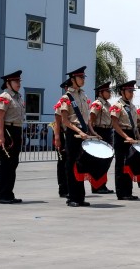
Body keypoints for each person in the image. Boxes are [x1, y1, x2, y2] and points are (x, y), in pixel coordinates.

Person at [55, 66, 96, 207]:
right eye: (81, 77)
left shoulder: (83, 95)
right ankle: (72, 197)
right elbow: (65, 121)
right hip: (73, 134)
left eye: (84, 77)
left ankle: (80, 197)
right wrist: (78, 132)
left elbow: (87, 118)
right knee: (71, 165)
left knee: (81, 165)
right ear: (73, 79)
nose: (83, 80)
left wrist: (92, 131)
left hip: (83, 133)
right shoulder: (66, 98)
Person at [0, 70, 24, 204]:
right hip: (7, 129)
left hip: (17, 129)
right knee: (6, 163)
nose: (18, 83)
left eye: (19, 81)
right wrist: (0, 135)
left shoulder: (18, 97)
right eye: (16, 81)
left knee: (13, 163)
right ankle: (1, 195)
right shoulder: (4, 97)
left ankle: (9, 193)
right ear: (8, 83)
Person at [109, 80, 140, 200]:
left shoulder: (132, 106)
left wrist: (137, 135)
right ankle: (121, 193)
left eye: (132, 91)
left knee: (129, 164)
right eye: (129, 91)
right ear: (122, 92)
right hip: (121, 135)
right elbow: (115, 124)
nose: (131, 93)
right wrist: (126, 137)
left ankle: (128, 191)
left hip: (131, 134)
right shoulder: (117, 106)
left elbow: (134, 124)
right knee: (121, 165)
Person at [87, 82, 115, 194]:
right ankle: (96, 186)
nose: (109, 93)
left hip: (108, 131)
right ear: (100, 92)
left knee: (106, 161)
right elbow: (91, 120)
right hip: (99, 131)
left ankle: (102, 184)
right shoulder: (97, 104)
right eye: (107, 91)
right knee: (99, 161)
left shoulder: (107, 105)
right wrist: (93, 133)